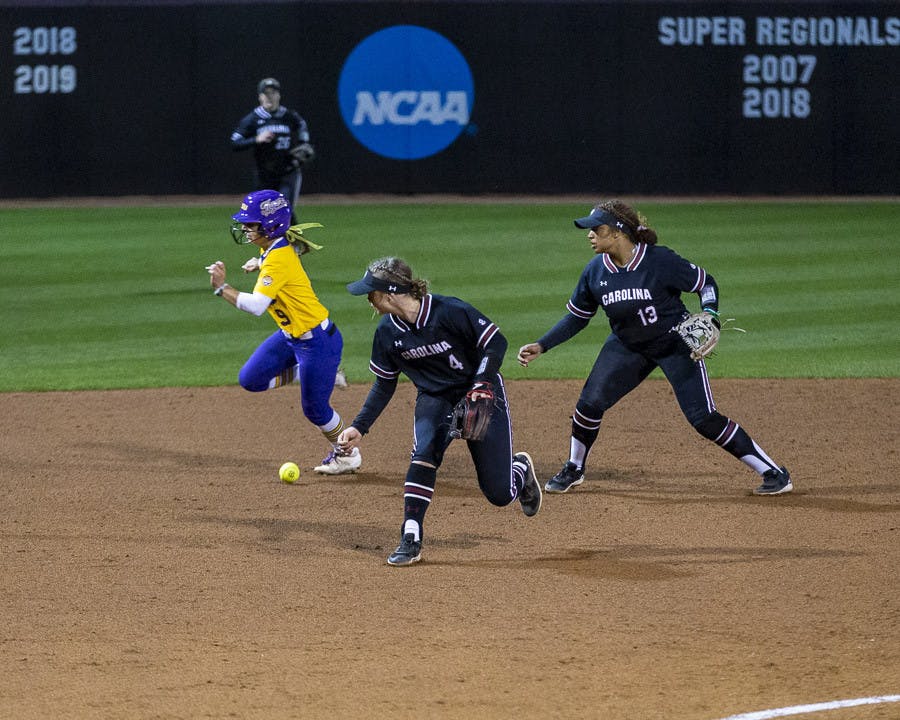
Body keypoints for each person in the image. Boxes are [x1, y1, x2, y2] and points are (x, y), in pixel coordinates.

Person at [517, 200, 792, 496]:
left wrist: (710, 314)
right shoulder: (595, 271)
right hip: (627, 347)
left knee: (703, 419)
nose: (590, 235)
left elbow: (705, 283)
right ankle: (574, 467)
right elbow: (577, 318)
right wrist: (543, 345)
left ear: (618, 232)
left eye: (597, 229)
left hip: (674, 345)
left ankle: (774, 473)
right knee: (588, 406)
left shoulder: (660, 261)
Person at [336, 257, 542, 566]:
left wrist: (482, 383)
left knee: (499, 494)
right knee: (424, 454)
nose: (368, 299)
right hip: (435, 400)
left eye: (372, 292)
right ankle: (411, 536)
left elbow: (496, 342)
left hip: (479, 393)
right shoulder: (386, 333)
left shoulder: (449, 311)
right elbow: (384, 384)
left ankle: (521, 469)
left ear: (390, 292)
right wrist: (359, 426)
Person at [205, 189, 360, 476]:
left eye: (251, 224)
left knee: (315, 410)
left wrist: (221, 288)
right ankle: (306, 374)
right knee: (250, 379)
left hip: (318, 342)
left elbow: (255, 306)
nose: (245, 229)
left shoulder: (278, 257)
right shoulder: (274, 250)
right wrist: (260, 262)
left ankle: (347, 455)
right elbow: (276, 262)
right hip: (291, 338)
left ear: (270, 225)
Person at [230, 78, 316, 221]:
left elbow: (301, 124)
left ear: (279, 95)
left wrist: (303, 141)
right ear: (260, 96)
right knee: (266, 213)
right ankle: (293, 242)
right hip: (264, 175)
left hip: (287, 172)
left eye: (273, 93)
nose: (269, 96)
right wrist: (256, 139)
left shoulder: (288, 116)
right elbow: (234, 142)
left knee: (283, 209)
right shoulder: (252, 119)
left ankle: (292, 243)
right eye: (266, 93)